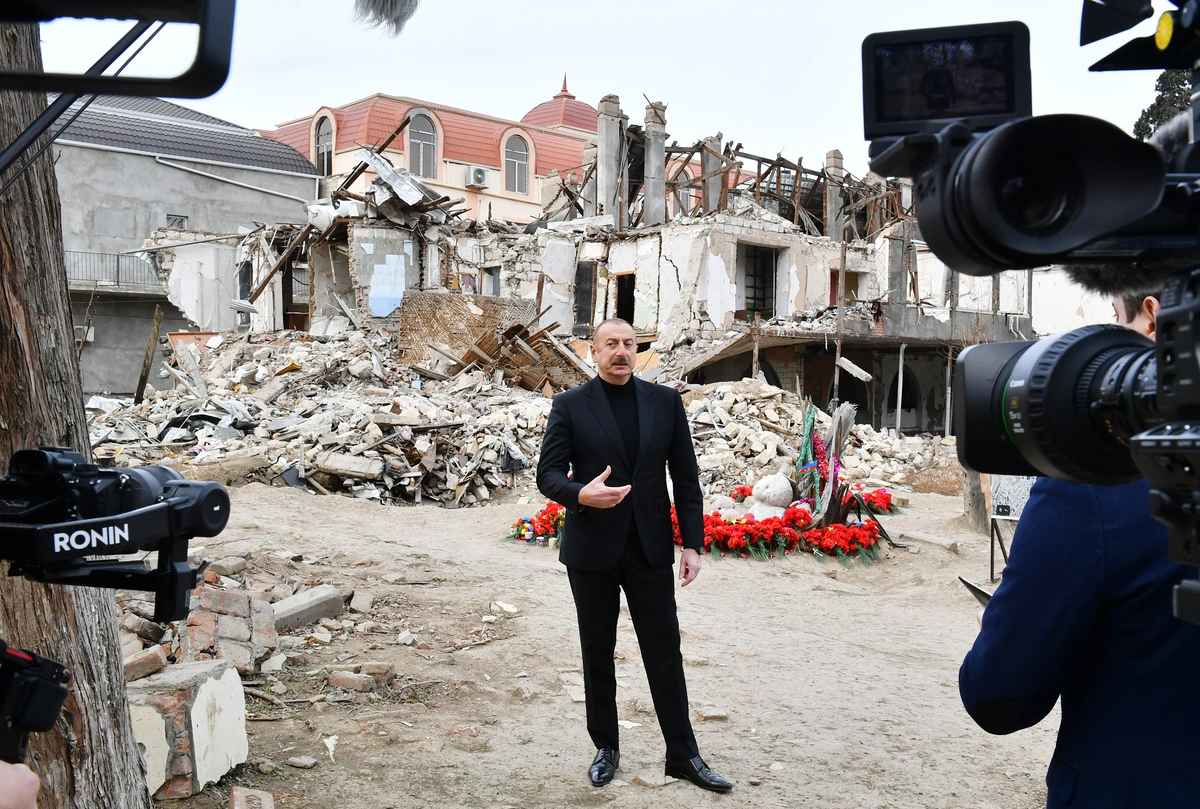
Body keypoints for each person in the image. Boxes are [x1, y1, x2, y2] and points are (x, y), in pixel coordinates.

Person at [959, 287, 1200, 808]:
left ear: (1155, 319)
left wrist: (1003, 623)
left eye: (1116, 319)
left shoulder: (1099, 485)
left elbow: (999, 695)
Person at [536, 317, 732, 793]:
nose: (621, 351)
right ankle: (606, 748)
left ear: (636, 351)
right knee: (597, 651)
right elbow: (548, 474)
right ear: (594, 351)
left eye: (629, 343)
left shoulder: (664, 402)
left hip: (648, 548)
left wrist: (692, 544)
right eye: (611, 344)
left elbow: (686, 478)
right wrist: (581, 494)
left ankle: (683, 755)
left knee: (665, 652)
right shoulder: (569, 405)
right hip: (591, 550)